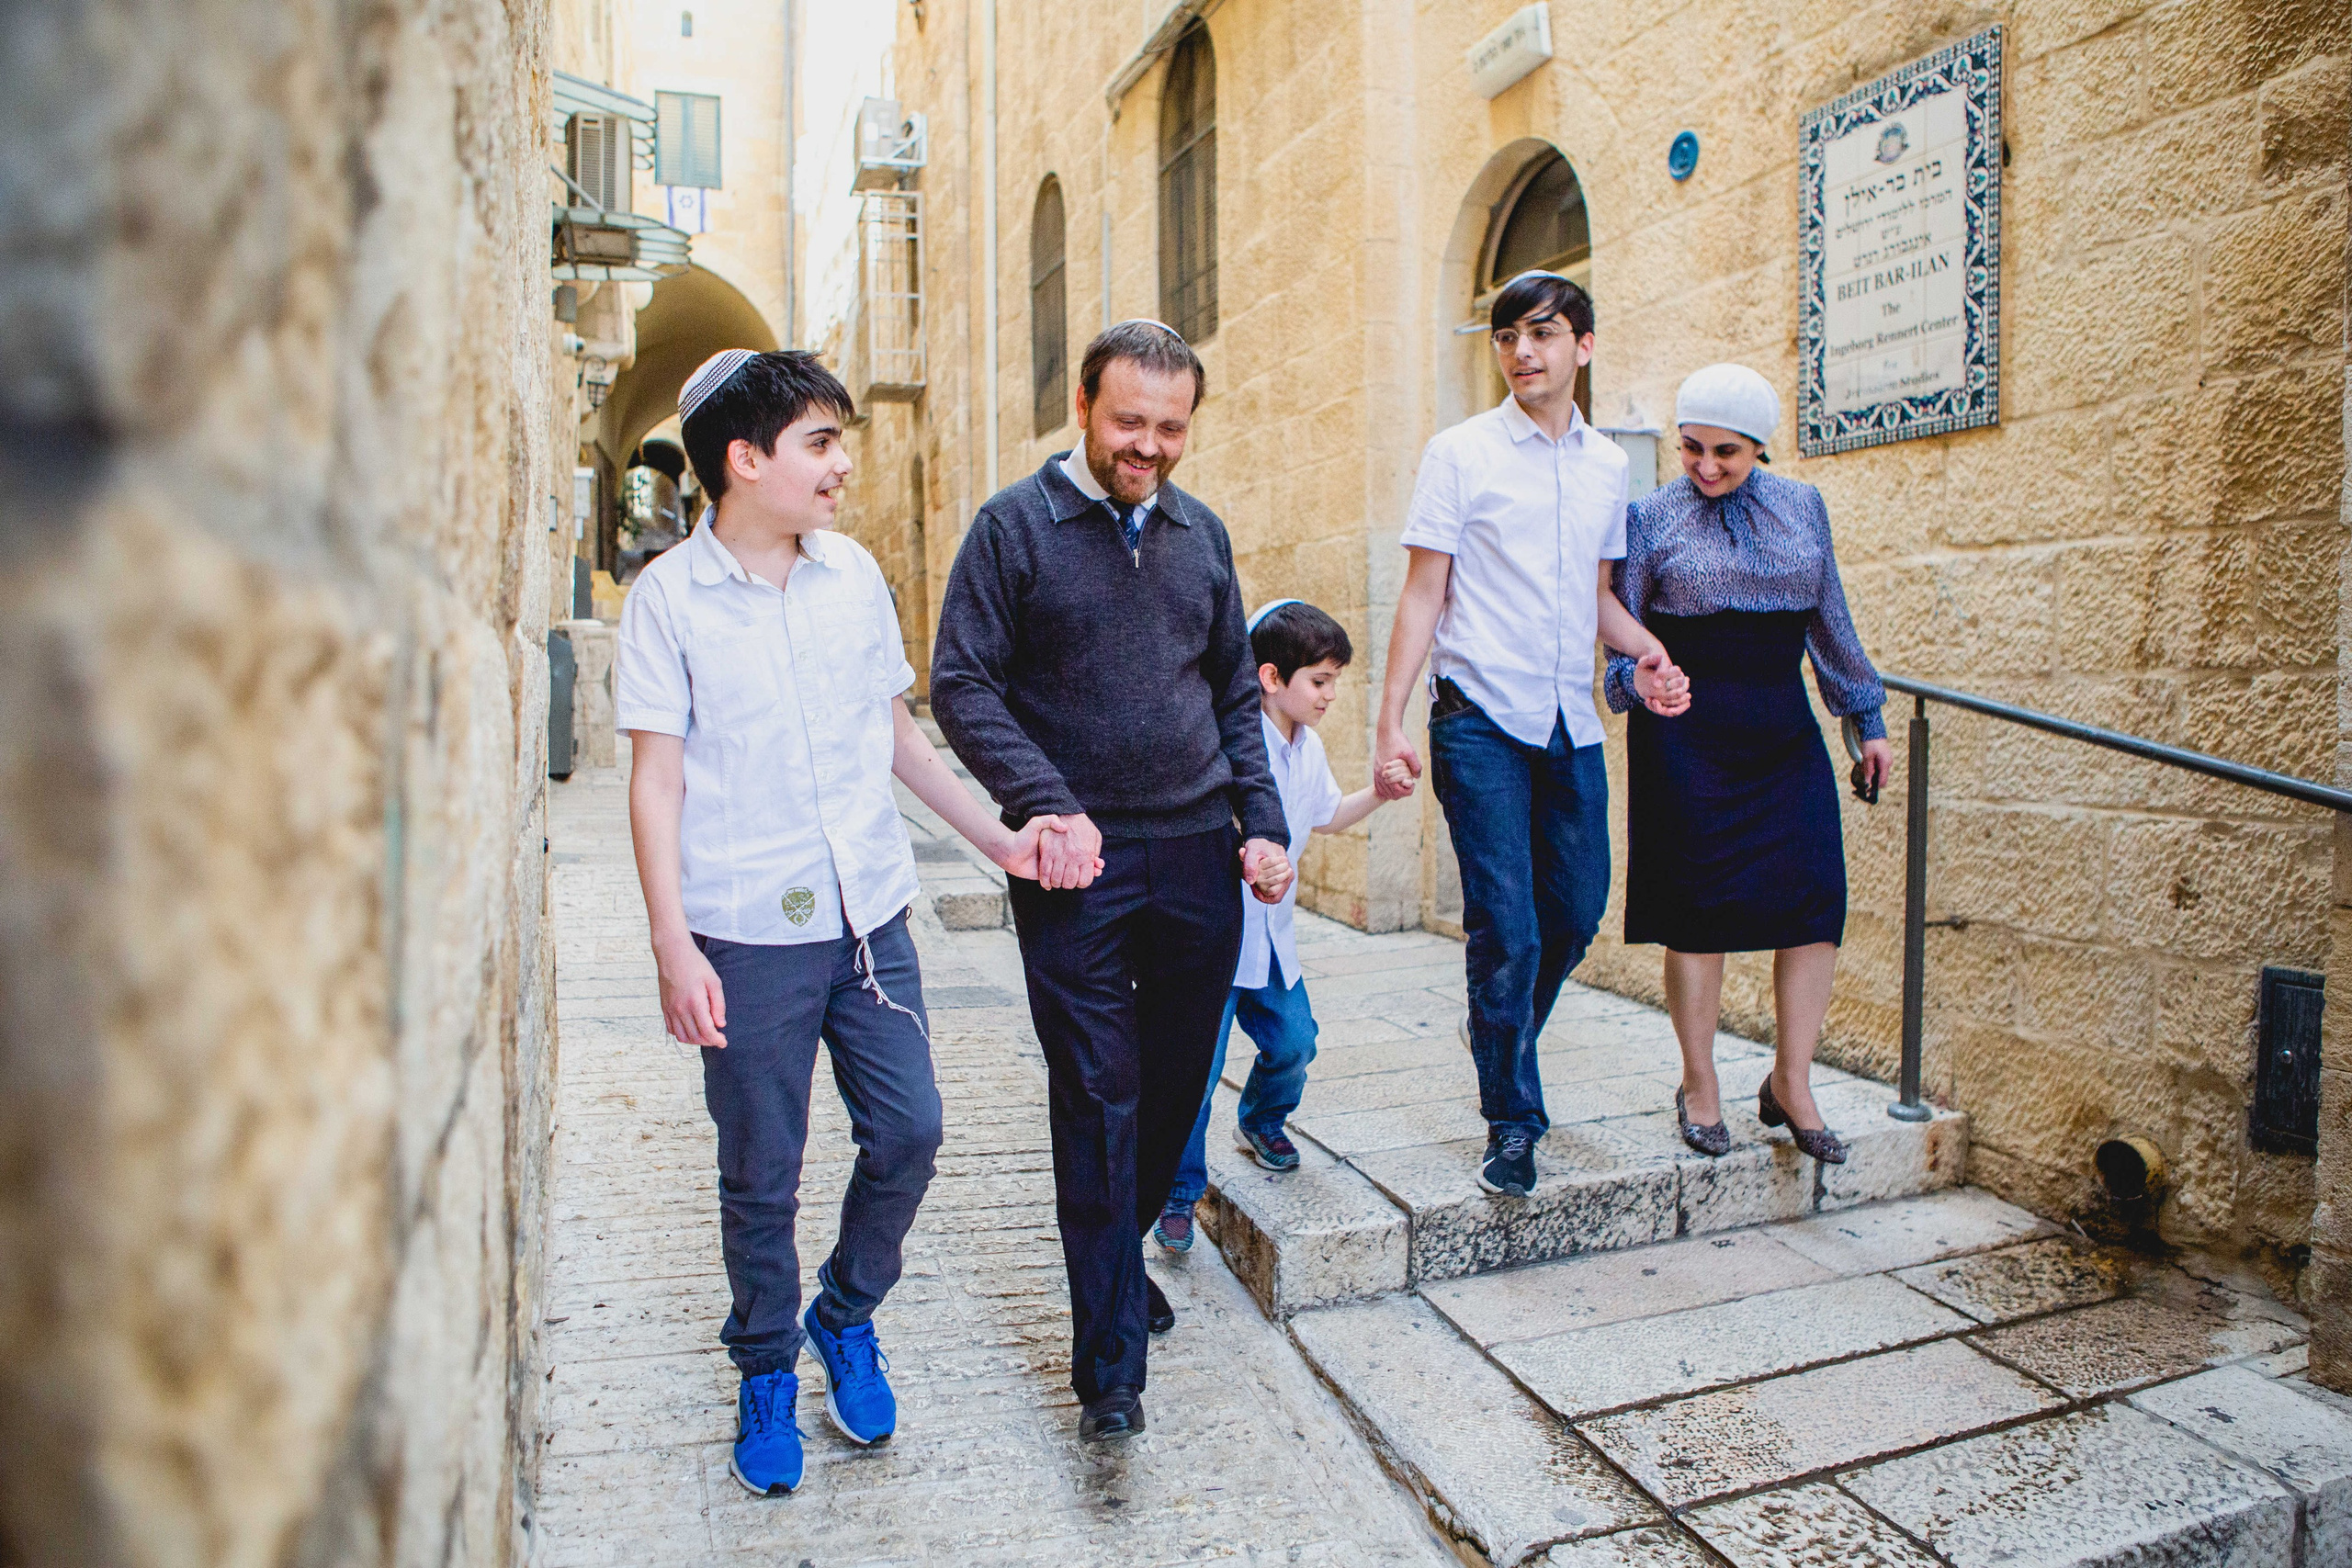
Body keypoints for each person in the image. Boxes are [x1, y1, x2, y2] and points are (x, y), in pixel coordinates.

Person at [616, 349, 1075, 1497]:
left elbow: (897, 737)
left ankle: (844, 1312)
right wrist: (672, 943)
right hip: (745, 933)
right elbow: (655, 781)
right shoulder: (669, 600)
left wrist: (1001, 841)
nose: (842, 465)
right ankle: (765, 1366)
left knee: (911, 1133)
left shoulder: (853, 574)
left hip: (869, 917)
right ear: (744, 458)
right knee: (761, 1172)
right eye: (819, 443)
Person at [930, 320, 1295, 1443]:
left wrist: (1263, 825)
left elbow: (1233, 694)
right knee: (1097, 1094)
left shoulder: (1200, 535)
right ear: (1084, 407)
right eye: (1129, 421)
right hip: (1072, 865)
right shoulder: (1012, 530)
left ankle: (1117, 1267)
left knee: (1175, 1090)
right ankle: (1109, 1374)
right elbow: (962, 684)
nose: (1149, 446)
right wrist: (1047, 803)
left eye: (1171, 427)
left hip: (1195, 854)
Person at [1374, 271, 1690, 1200]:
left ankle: (1495, 1028)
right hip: (1477, 715)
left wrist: (1647, 651)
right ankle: (1512, 1121)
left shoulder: (1606, 467)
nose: (1522, 351)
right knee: (1505, 926)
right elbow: (1422, 592)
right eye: (1508, 334)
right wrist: (1389, 720)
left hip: (1567, 720)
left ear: (1582, 345)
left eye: (1543, 333)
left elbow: (1596, 598)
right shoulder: (1459, 454)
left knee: (1577, 909)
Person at [1601, 362, 1892, 1164]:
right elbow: (1618, 635)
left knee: (1814, 898)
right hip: (1684, 730)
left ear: (1760, 446)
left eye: (1725, 451)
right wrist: (1635, 682)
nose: (1705, 465)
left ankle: (1791, 1081)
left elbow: (1829, 618)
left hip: (1780, 728)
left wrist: (1865, 717)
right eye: (1691, 447)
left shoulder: (1804, 506)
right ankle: (1699, 1083)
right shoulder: (1649, 517)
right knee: (1698, 911)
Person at [1154, 599, 1416, 1253]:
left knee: (1296, 1042)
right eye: (1319, 680)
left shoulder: (1309, 747)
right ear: (1271, 677)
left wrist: (1380, 794)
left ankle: (1263, 1118)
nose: (1330, 695)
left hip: (1273, 943)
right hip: (1215, 944)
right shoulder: (1227, 744)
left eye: (1334, 681)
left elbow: (1325, 816)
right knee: (1195, 1075)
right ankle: (1176, 1194)